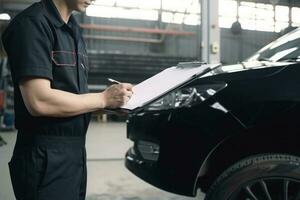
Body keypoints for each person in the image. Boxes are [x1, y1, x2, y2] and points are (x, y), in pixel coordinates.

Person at [2, 0, 133, 199]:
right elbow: (39, 101)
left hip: (75, 154)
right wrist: (103, 98)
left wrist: (114, 105)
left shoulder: (73, 29)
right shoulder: (32, 24)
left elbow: (76, 99)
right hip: (45, 156)